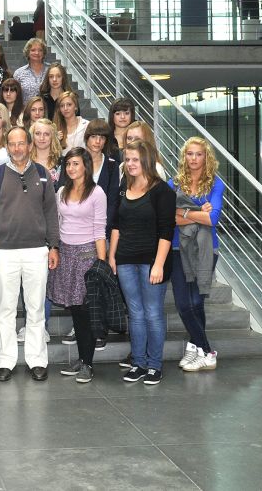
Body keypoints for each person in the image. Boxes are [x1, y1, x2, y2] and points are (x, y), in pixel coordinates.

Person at [0, 126, 60, 382]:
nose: (17, 148)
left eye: (21, 143)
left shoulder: (42, 173)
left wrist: (54, 245)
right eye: (12, 144)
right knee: (5, 309)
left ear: (28, 145)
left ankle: (37, 361)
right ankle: (6, 361)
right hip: (3, 251)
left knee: (35, 309)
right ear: (7, 146)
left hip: (37, 250)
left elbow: (50, 212)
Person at [109, 140, 176, 385]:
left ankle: (154, 366)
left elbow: (167, 231)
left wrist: (159, 264)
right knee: (135, 314)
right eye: (127, 160)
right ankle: (138, 363)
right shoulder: (123, 186)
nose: (130, 164)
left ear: (147, 160)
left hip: (152, 262)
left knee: (152, 313)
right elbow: (116, 225)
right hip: (126, 260)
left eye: (135, 159)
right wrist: (111, 256)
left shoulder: (162, 191)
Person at [47, 148, 107, 383]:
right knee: (76, 310)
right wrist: (55, 248)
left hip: (87, 255)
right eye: (68, 164)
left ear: (85, 166)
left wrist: (101, 265)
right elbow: (57, 222)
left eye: (75, 164)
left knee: (85, 310)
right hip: (66, 254)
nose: (71, 168)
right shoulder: (61, 191)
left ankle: (88, 363)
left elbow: (100, 229)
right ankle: (83, 360)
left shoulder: (97, 192)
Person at [168, 137, 224, 372]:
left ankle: (196, 348)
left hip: (204, 250)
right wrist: (199, 211)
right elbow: (170, 217)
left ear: (206, 157)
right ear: (184, 156)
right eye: (189, 154)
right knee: (183, 304)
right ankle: (204, 349)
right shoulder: (174, 183)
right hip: (178, 248)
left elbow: (213, 219)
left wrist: (186, 212)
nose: (193, 158)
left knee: (195, 302)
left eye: (198, 154)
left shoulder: (215, 183)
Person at [29, 118, 63, 188]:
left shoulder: (62, 163)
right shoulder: (25, 162)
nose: (41, 138)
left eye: (46, 134)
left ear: (52, 137)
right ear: (32, 136)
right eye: (38, 133)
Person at [54, 90, 89, 155]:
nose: (65, 108)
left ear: (75, 107)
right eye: (62, 106)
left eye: (69, 105)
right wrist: (55, 142)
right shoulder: (55, 128)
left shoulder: (86, 125)